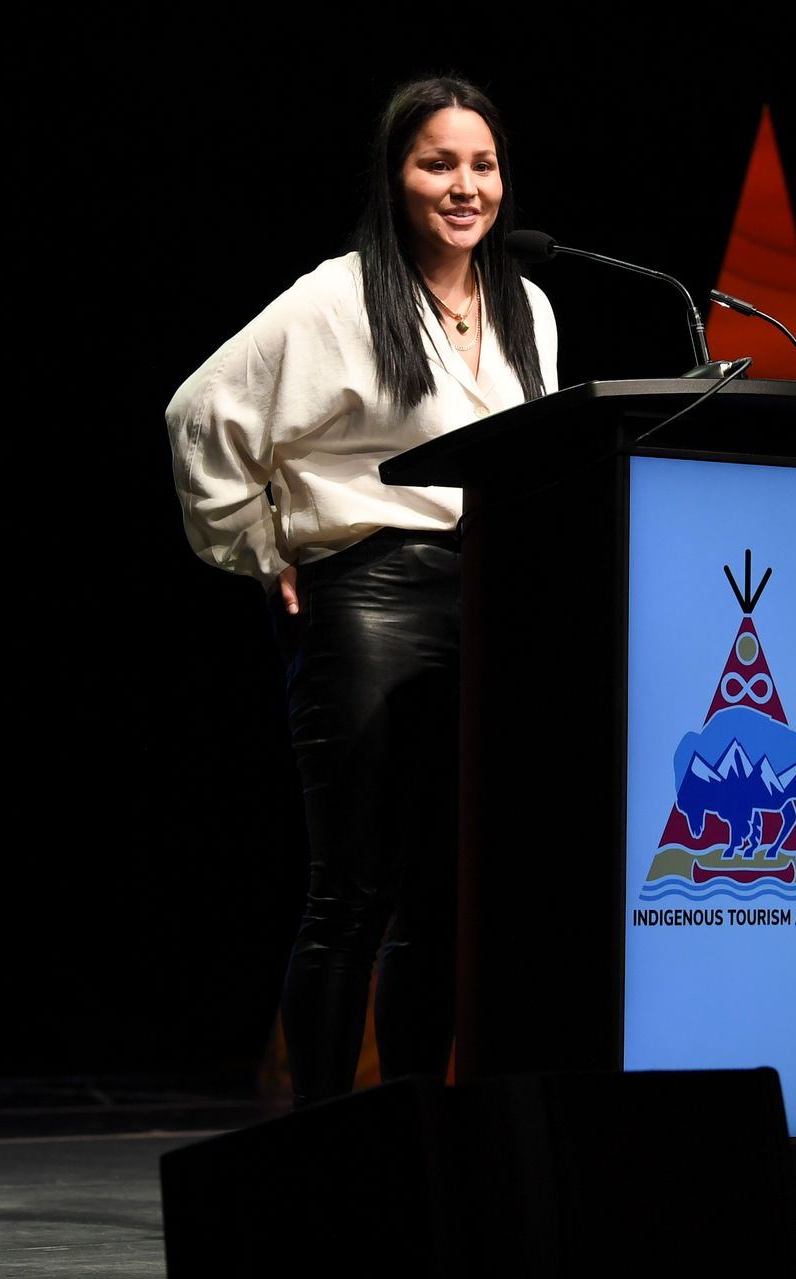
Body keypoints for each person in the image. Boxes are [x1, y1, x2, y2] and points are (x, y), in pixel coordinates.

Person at [164, 75, 557, 1107]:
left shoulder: (529, 307)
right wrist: (260, 546)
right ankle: (321, 1138)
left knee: (447, 898)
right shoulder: (337, 297)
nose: (465, 186)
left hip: (487, 603)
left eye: (483, 165)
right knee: (354, 889)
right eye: (438, 163)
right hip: (369, 600)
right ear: (396, 177)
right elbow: (200, 413)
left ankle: (411, 1129)